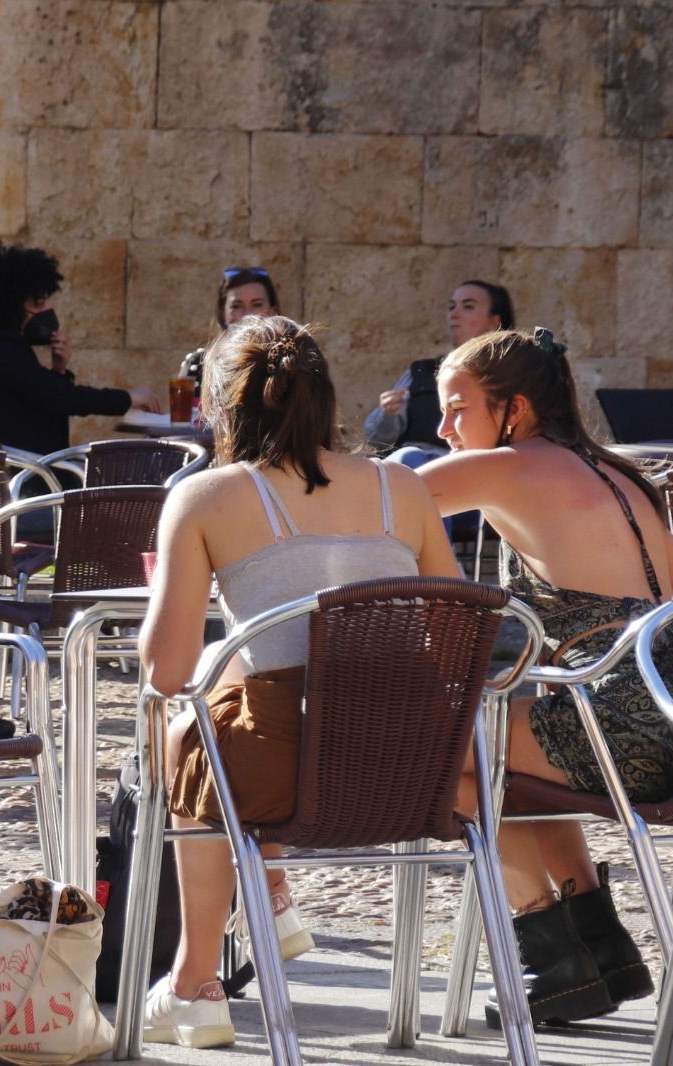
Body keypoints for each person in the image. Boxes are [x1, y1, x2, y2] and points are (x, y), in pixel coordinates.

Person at [137, 316, 461, 1048]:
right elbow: (455, 629)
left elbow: (165, 671)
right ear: (326, 399)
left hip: (285, 772)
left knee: (193, 733)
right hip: (412, 767)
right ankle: (268, 900)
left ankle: (195, 981)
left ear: (221, 408)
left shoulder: (205, 498)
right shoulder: (403, 489)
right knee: (230, 710)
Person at [419, 327, 673, 1028]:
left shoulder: (509, 466)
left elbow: (376, 501)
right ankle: (602, 953)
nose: (442, 428)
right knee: (509, 764)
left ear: (513, 409)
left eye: (458, 410)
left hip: (625, 719)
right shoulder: (617, 474)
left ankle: (554, 955)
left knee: (438, 757)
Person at [0, 244, 160, 456]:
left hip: (24, 467)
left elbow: (44, 395)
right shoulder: (0, 348)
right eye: (39, 304)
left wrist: (58, 370)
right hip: (20, 474)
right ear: (11, 306)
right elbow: (62, 398)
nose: (47, 310)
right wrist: (129, 398)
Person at [364, 280, 515, 465]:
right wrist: (388, 415)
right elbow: (377, 440)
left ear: (494, 322)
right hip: (408, 470)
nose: (454, 314)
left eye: (468, 306)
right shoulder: (423, 372)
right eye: (452, 306)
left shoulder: (511, 376)